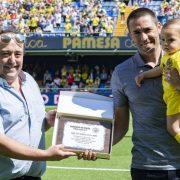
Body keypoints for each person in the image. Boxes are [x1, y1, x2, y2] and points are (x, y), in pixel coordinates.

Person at [0, 30, 96, 180]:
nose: (12, 60)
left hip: (34, 176)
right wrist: (45, 155)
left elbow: (25, 126)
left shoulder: (29, 81)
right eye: (5, 54)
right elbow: (1, 143)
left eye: (17, 54)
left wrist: (47, 121)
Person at [111, 8, 180, 180]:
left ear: (159, 27)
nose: (143, 37)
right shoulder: (121, 73)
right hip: (145, 167)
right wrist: (98, 147)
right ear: (130, 36)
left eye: (148, 30)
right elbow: (121, 125)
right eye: (137, 32)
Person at [135, 19, 180, 143]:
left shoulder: (178, 57)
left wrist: (177, 85)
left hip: (176, 97)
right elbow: (160, 69)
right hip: (171, 98)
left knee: (173, 128)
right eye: (163, 40)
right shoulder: (168, 56)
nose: (165, 43)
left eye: (171, 40)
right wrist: (144, 75)